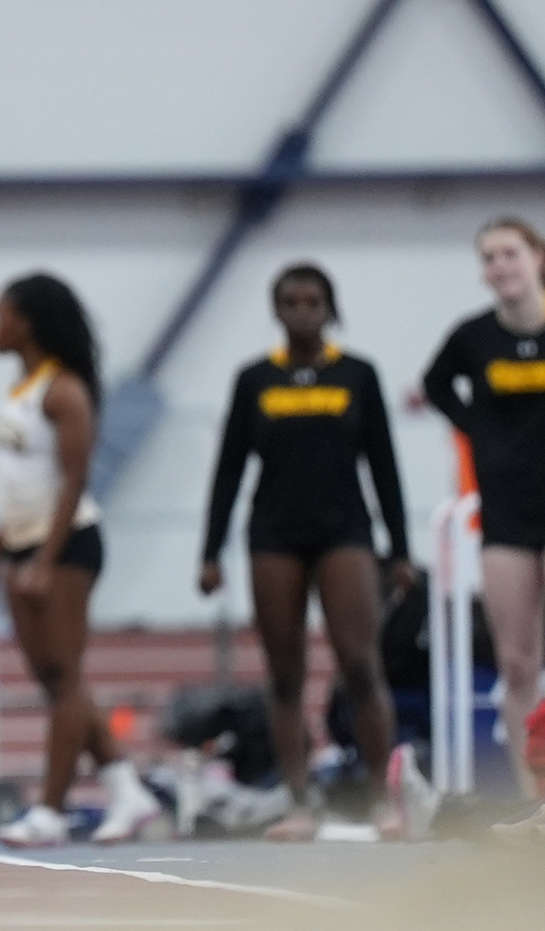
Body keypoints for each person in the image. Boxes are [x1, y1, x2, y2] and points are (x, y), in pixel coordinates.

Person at [199, 264, 412, 841]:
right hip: (275, 534)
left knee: (360, 664)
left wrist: (400, 549)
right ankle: (299, 801)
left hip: (345, 531)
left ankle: (381, 797)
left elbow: (384, 464)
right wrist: (210, 550)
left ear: (330, 309)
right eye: (290, 302)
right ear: (276, 311)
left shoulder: (357, 374)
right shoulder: (254, 380)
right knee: (285, 672)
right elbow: (229, 469)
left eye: (312, 302)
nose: (301, 312)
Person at [0, 273, 160, 848]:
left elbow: (75, 481)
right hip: (23, 543)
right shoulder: (22, 389)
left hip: (67, 545)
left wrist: (45, 562)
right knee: (56, 682)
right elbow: (18, 488)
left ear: (27, 324)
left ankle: (51, 810)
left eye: (1, 315)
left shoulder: (64, 391)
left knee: (67, 678)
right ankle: (126, 789)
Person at [423, 218, 545, 798]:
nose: (499, 267)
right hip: (507, 511)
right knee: (517, 664)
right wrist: (478, 430)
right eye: (488, 257)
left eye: (509, 253)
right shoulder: (473, 338)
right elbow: (436, 384)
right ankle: (535, 795)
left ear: (538, 257)